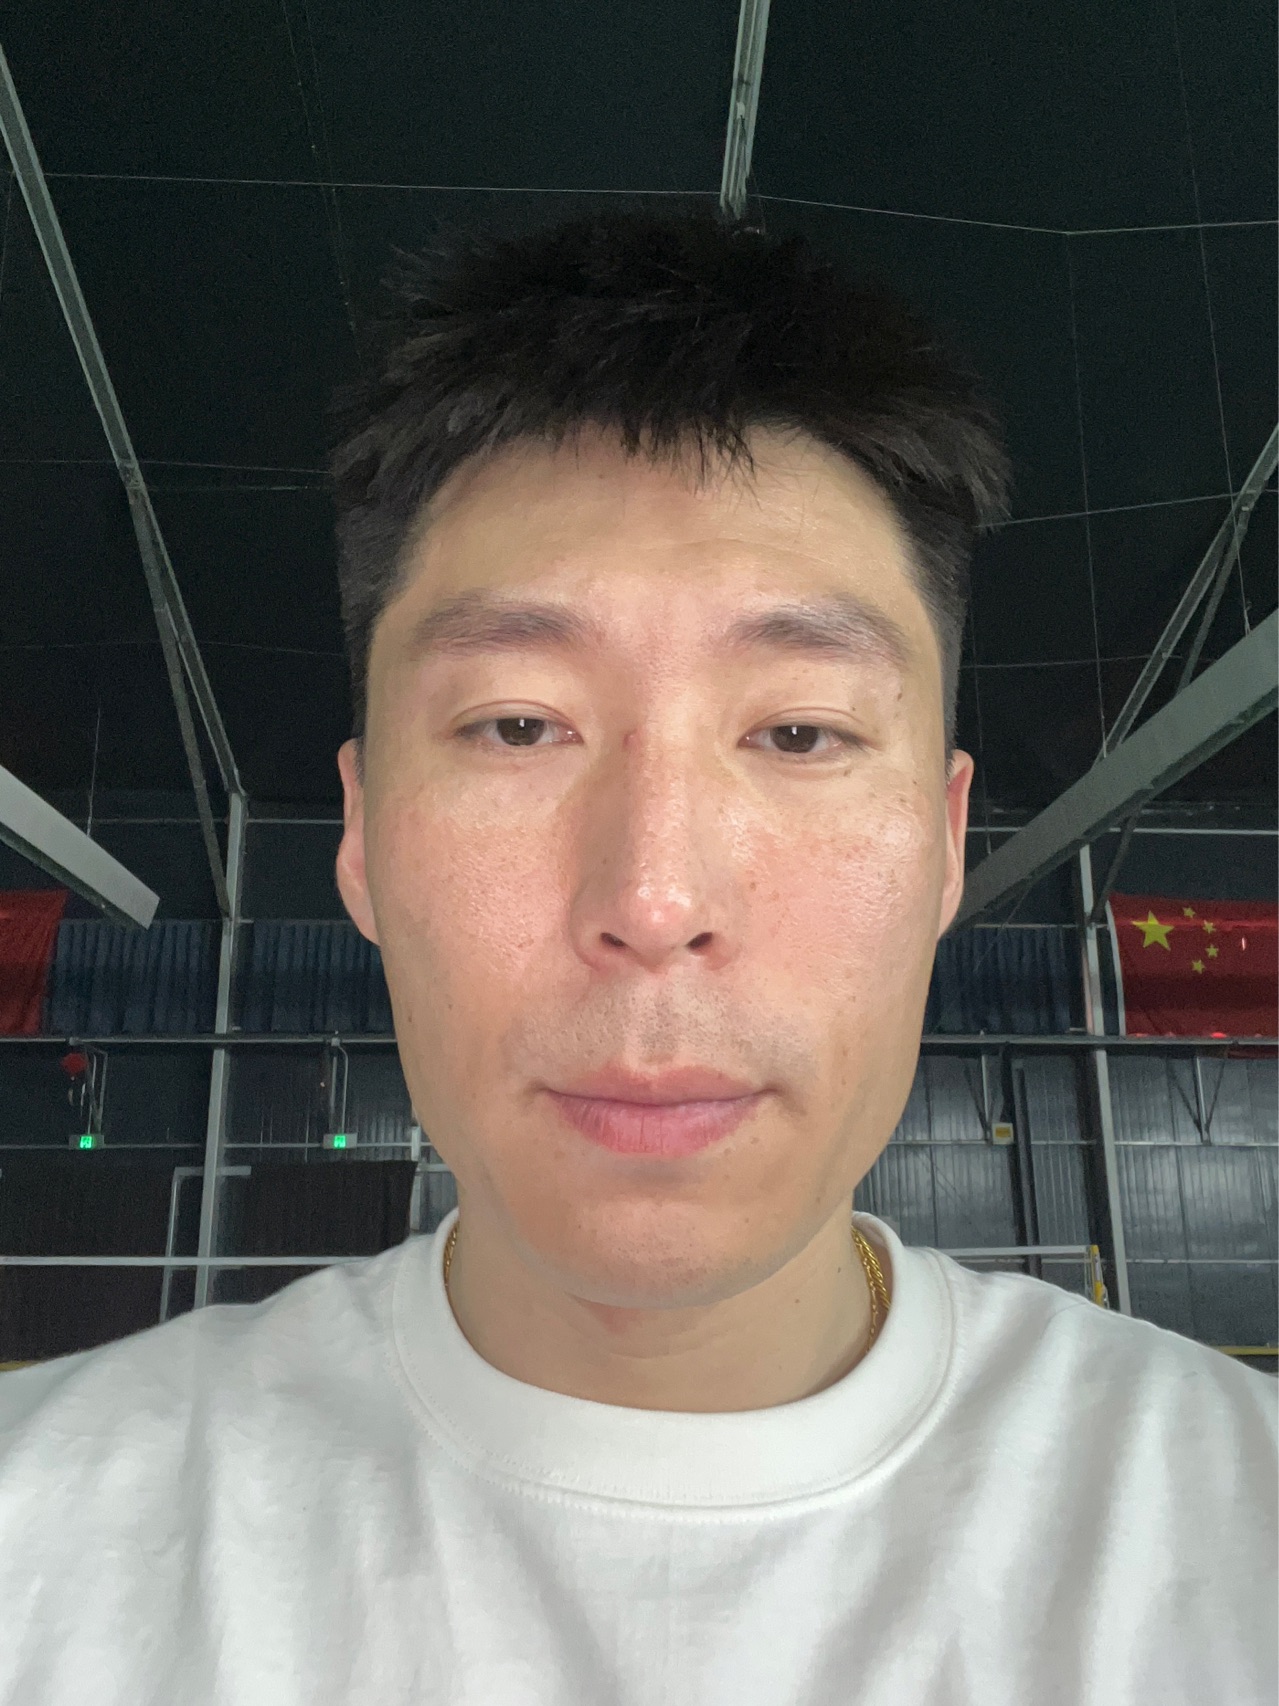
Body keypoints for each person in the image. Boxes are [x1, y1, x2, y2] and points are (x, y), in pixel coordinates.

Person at [0, 207, 1274, 1706]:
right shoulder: (45, 1535)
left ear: (943, 846)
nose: (654, 899)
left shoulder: (1234, 1531)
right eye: (518, 724)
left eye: (798, 731)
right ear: (360, 837)